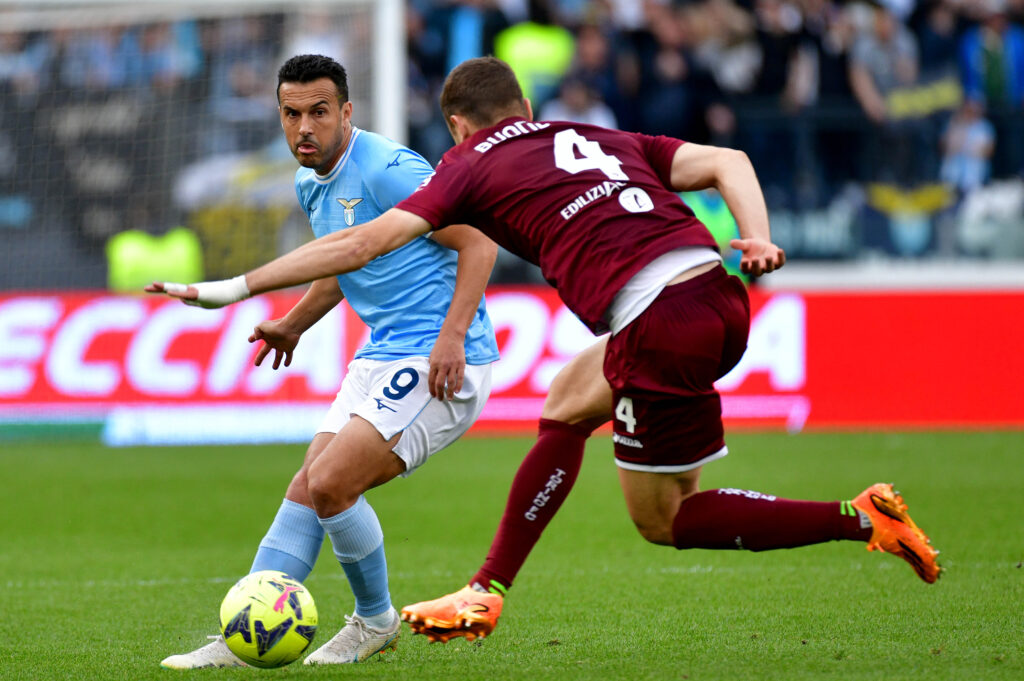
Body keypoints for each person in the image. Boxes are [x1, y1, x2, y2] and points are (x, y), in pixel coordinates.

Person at [149, 55, 941, 647]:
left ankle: (858, 517)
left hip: (655, 321)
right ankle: (485, 587)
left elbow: (365, 244)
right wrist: (757, 236)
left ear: (458, 128)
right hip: (714, 293)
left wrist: (235, 287)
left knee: (666, 519)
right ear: (526, 108)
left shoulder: (463, 165)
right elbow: (729, 161)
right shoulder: (589, 134)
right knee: (566, 402)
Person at [153, 54, 499, 668]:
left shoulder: (389, 169)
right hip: (382, 352)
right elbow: (345, 261)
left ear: (346, 111)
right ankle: (244, 631)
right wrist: (294, 322)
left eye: (319, 112)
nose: (304, 128)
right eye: (292, 115)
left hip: (441, 358)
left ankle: (375, 621)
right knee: (307, 487)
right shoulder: (309, 180)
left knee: (333, 484)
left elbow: (478, 240)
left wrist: (452, 335)